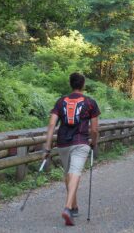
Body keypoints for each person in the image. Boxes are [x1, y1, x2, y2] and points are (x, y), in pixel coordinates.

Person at [43, 72, 100, 226]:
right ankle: (67, 208)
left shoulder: (60, 102)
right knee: (74, 173)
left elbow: (51, 125)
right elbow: (94, 129)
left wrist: (47, 147)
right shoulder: (90, 103)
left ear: (70, 84)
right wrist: (94, 143)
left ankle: (74, 207)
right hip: (81, 141)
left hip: (62, 143)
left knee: (69, 174)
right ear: (83, 84)